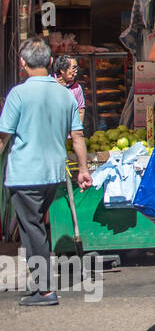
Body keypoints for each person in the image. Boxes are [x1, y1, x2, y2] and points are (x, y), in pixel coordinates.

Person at [0, 39, 92, 306]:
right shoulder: (66, 95)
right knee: (36, 227)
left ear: (22, 64)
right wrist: (83, 169)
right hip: (53, 173)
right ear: (51, 63)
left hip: (25, 173)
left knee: (33, 230)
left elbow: (3, 138)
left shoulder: (18, 94)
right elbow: (77, 136)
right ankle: (42, 285)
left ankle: (46, 290)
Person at [52, 55, 86, 127]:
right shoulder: (49, 84)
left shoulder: (77, 88)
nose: (76, 71)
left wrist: (77, 131)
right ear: (62, 70)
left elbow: (80, 111)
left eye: (77, 68)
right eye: (73, 68)